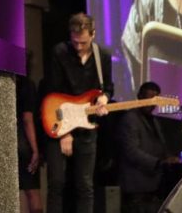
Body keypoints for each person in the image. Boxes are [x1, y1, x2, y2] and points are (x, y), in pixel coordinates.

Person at [43, 13, 113, 213]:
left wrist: (104, 99)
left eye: (83, 42)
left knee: (85, 185)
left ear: (93, 34)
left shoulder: (103, 57)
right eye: (75, 42)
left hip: (86, 125)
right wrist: (64, 133)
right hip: (58, 122)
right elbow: (52, 93)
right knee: (56, 183)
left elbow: (107, 87)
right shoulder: (60, 52)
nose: (79, 47)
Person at [116, 81, 182, 213]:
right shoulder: (130, 118)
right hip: (135, 187)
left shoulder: (154, 121)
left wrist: (170, 157)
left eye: (155, 99)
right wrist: (159, 162)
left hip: (152, 186)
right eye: (148, 98)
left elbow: (160, 146)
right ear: (139, 96)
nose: (151, 103)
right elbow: (131, 151)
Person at [16, 53, 43, 213]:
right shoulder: (28, 85)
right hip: (24, 144)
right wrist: (35, 150)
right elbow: (27, 119)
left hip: (10, 140)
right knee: (33, 192)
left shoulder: (6, 83)